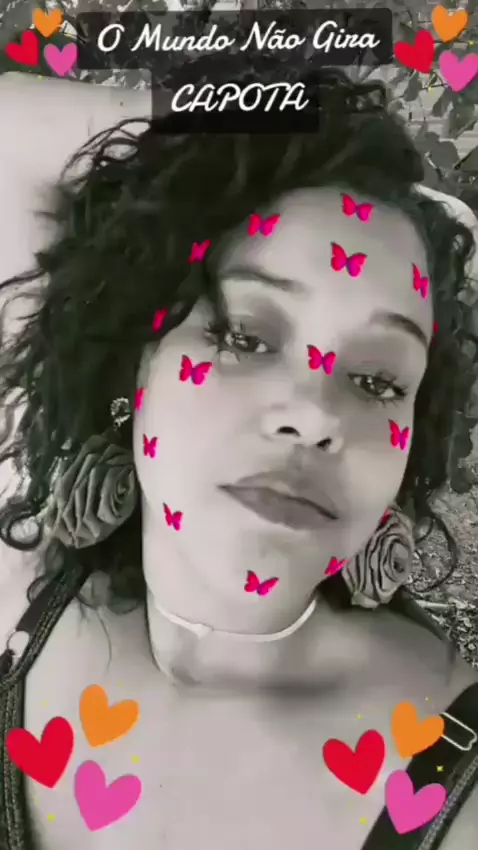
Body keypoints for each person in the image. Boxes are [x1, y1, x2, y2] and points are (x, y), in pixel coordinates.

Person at [0, 65, 477, 850]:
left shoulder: (451, 784)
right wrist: (290, 119)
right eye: (246, 336)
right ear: (134, 369)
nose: (316, 417)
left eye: (378, 381)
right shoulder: (25, 577)